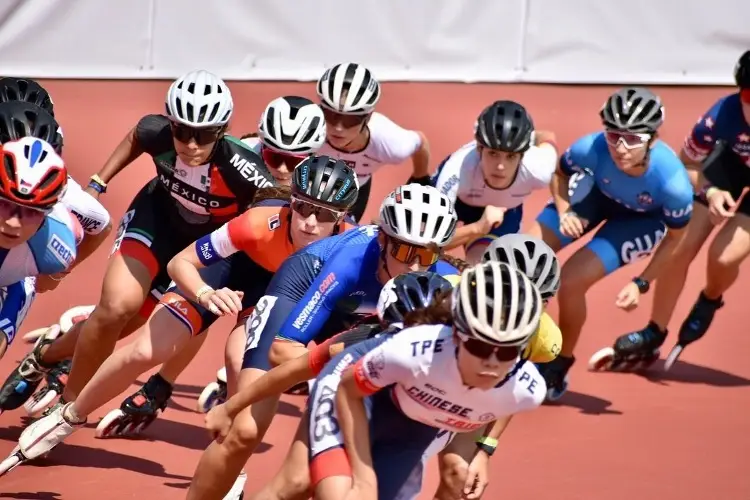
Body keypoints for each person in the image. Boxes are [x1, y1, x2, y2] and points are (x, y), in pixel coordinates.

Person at [0, 70, 276, 420]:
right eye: (182, 131)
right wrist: (98, 183)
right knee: (116, 309)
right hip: (155, 221)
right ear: (170, 123)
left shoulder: (244, 169)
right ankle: (66, 407)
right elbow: (136, 137)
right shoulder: (156, 130)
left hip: (199, 249)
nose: (191, 144)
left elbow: (270, 215)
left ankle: (45, 357)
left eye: (204, 135)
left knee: (130, 328)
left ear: (221, 131)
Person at [185, 183, 458, 500]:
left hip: (356, 325)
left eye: (425, 254)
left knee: (302, 480)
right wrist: (338, 376)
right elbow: (282, 350)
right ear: (383, 239)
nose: (414, 266)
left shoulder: (445, 281)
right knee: (244, 431)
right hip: (304, 292)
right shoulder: (350, 261)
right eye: (403, 251)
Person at [91, 156, 358, 440]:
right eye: (274, 156)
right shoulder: (254, 204)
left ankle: (226, 449)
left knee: (240, 357)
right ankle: (78, 408)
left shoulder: (348, 241)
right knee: (154, 341)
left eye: (291, 160)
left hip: (276, 281)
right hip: (233, 258)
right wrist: (203, 293)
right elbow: (186, 263)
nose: (281, 169)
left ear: (341, 216)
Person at [304, 261, 545, 500]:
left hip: (412, 429)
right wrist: (364, 477)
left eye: (507, 352)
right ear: (457, 336)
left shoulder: (527, 390)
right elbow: (347, 389)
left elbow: (504, 401)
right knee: (301, 486)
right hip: (358, 395)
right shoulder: (414, 350)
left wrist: (484, 449)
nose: (492, 362)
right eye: (479, 346)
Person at [202, 271, 452, 500]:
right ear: (385, 325)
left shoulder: (470, 359)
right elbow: (290, 371)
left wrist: (485, 448)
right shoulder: (357, 343)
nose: (415, 346)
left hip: (410, 422)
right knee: (296, 484)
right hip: (348, 402)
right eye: (404, 334)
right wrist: (230, 408)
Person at [529, 87, 694, 399]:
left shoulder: (674, 186)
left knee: (570, 282)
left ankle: (559, 362)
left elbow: (675, 240)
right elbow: (559, 175)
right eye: (614, 134)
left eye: (632, 138)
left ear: (653, 140)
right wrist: (565, 212)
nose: (620, 147)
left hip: (640, 220)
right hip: (595, 195)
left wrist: (642, 283)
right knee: (524, 253)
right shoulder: (589, 147)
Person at [600, 50, 750, 370]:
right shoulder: (719, 117)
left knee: (724, 258)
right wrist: (711, 192)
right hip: (729, 168)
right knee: (680, 243)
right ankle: (655, 330)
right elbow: (688, 164)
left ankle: (710, 299)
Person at [433, 100, 558, 262]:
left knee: (490, 270)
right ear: (479, 149)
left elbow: (548, 136)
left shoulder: (539, 168)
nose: (500, 166)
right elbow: (428, 244)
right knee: (418, 259)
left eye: (511, 156)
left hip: (503, 211)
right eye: (493, 154)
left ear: (522, 155)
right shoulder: (455, 174)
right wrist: (477, 228)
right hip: (458, 201)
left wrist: (533, 136)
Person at [315, 62, 432, 221]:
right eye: (330, 115)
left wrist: (420, 179)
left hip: (354, 188)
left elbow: (421, 142)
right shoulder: (307, 128)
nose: (338, 127)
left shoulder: (392, 143)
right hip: (310, 181)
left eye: (350, 120)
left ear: (367, 117)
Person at [0, 136, 75, 366]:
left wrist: (52, 278)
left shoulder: (57, 251)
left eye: (31, 212)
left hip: (11, 283)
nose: (14, 222)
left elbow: (103, 226)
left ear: (47, 213)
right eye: (4, 204)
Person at [240, 95, 327, 186]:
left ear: (311, 157)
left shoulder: (322, 181)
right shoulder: (241, 154)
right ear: (261, 148)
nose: (282, 169)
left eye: (293, 162)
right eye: (274, 158)